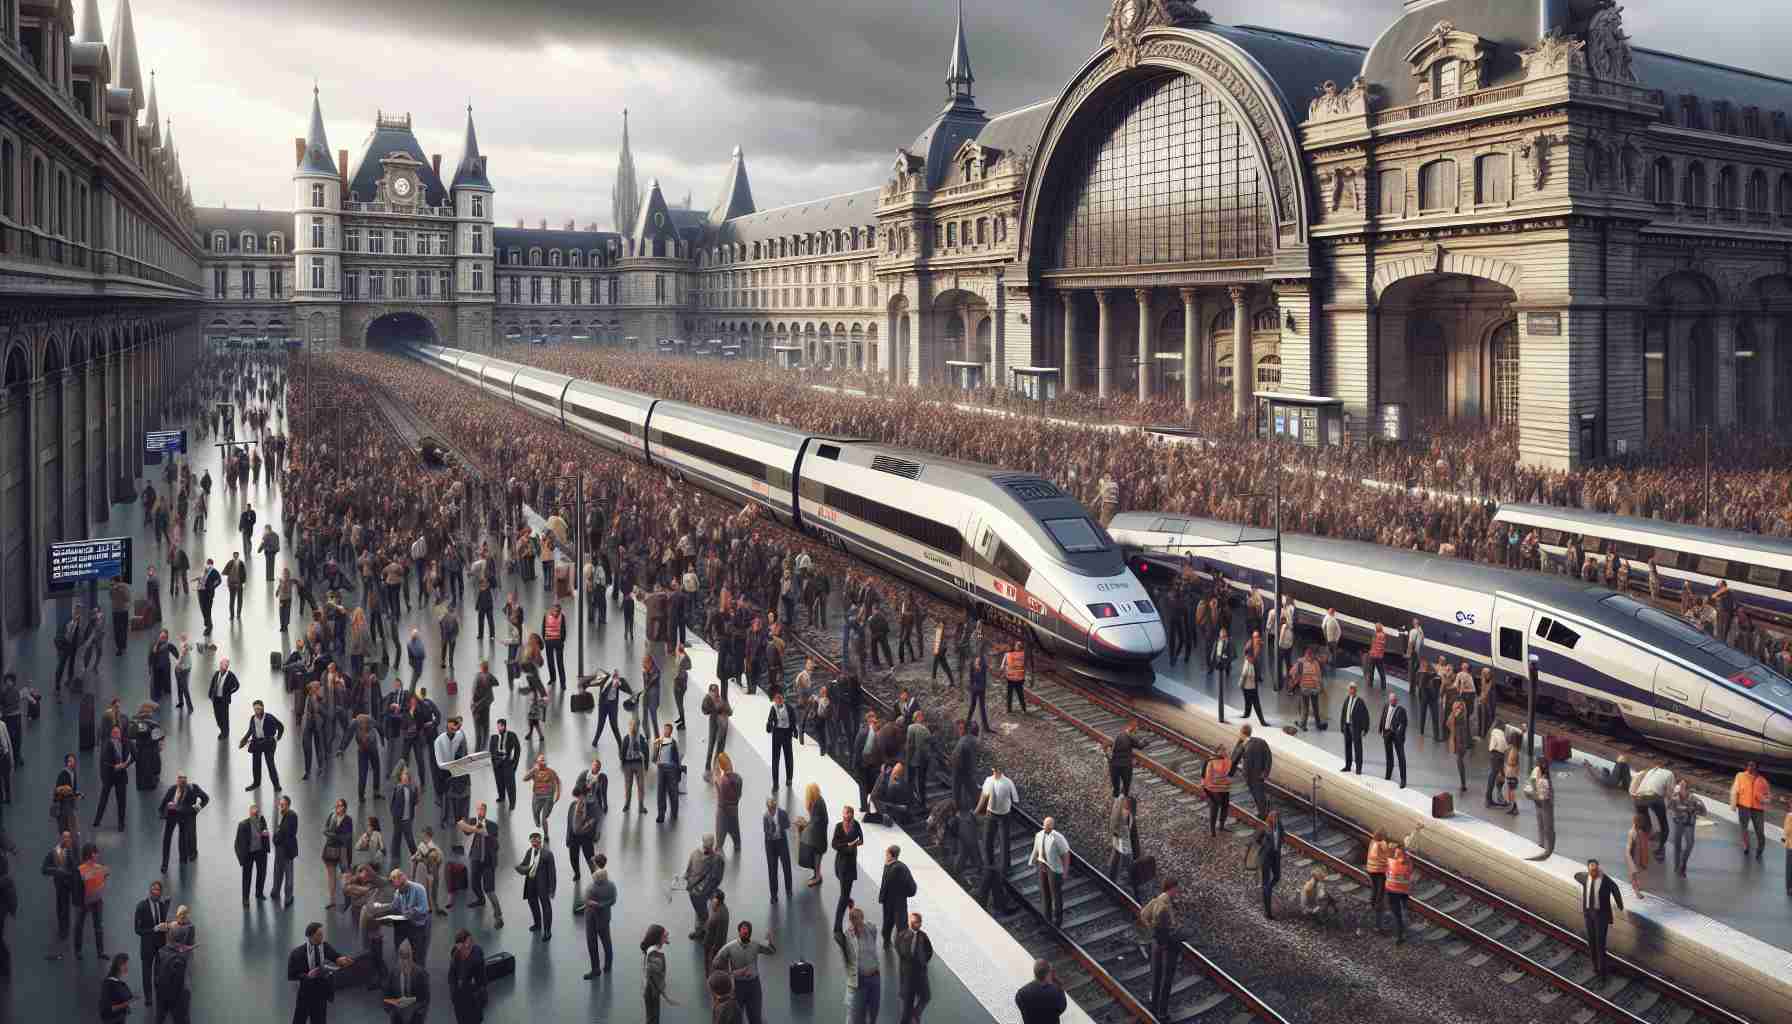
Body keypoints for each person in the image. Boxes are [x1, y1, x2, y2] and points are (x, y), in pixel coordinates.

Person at [288, 922, 355, 1024]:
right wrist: (307, 976)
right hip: (306, 992)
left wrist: (343, 960)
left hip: (321, 991)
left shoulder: (325, 947)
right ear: (310, 936)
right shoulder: (297, 953)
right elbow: (292, 974)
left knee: (320, 1020)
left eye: (322, 934)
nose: (322, 937)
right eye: (319, 935)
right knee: (299, 1019)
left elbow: (336, 956)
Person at [712, 920, 776, 1024]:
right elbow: (715, 963)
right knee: (736, 1017)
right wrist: (732, 973)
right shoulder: (730, 947)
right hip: (738, 986)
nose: (745, 933)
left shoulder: (755, 945)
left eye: (747, 932)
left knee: (755, 1017)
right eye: (743, 931)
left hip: (754, 985)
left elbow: (771, 952)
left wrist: (770, 943)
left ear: (750, 933)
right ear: (739, 932)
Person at [1573, 860, 1625, 980]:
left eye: (1595, 870)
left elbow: (1615, 889)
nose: (1593, 872)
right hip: (1589, 914)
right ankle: (1595, 966)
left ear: (1598, 869)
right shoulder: (1585, 878)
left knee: (1600, 942)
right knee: (1591, 941)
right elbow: (1576, 875)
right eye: (1591, 870)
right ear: (1588, 870)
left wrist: (1620, 904)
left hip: (1601, 915)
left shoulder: (1605, 880)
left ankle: (1602, 969)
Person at [458, 802, 504, 928]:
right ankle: (480, 900)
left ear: (486, 811)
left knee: (489, 890)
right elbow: (460, 824)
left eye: (482, 809)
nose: (480, 811)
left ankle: (498, 915)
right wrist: (474, 828)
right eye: (478, 809)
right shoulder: (472, 821)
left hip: (488, 861)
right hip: (475, 858)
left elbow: (493, 839)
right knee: (474, 884)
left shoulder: (492, 825)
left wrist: (483, 831)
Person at [1140, 878, 1180, 1018]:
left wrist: (1151, 929)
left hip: (1156, 944)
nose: (1177, 891)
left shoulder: (1156, 900)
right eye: (1176, 889)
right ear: (1172, 888)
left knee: (1156, 977)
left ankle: (1153, 1006)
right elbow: (1164, 928)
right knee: (1166, 980)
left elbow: (1143, 914)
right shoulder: (1164, 907)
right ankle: (1161, 1012)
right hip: (1166, 947)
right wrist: (1166, 941)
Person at [158, 774, 210, 873]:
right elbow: (162, 806)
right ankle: (165, 864)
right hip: (172, 816)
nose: (182, 781)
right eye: (180, 778)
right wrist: (165, 811)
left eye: (184, 779)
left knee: (184, 837)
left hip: (185, 816)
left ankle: (184, 859)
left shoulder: (193, 789)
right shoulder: (172, 789)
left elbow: (206, 798)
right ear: (177, 781)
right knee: (167, 840)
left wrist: (196, 809)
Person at [134, 881, 173, 1008]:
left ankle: (158, 991)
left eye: (158, 890)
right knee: (146, 972)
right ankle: (148, 997)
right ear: (150, 891)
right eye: (153, 889)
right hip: (147, 946)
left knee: (158, 970)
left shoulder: (162, 906)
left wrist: (167, 927)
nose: (155, 892)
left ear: (160, 893)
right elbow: (137, 930)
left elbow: (163, 922)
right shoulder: (141, 907)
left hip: (160, 945)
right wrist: (154, 929)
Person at [842, 905, 881, 1024]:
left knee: (874, 1011)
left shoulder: (870, 930)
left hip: (875, 977)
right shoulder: (849, 935)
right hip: (860, 980)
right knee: (857, 1015)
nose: (856, 920)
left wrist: (862, 926)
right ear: (851, 920)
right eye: (853, 918)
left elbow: (873, 927)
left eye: (858, 918)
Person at [1030, 817, 1070, 928]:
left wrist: (1065, 871)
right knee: (1044, 892)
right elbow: (1036, 849)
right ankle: (1046, 918)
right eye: (1045, 826)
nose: (1046, 828)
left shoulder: (1058, 838)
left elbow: (1065, 855)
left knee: (1056, 894)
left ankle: (1058, 920)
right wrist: (1033, 861)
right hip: (1042, 865)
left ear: (1052, 826)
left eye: (1049, 827)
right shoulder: (1039, 835)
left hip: (1054, 869)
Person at [1629, 762, 1674, 859]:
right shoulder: (1669, 773)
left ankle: (1640, 839)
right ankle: (1661, 849)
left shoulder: (1649, 771)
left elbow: (1634, 788)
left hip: (1638, 798)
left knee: (1642, 818)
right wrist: (1669, 805)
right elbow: (1669, 794)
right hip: (1654, 797)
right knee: (1663, 823)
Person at [582, 854, 617, 979]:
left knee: (592, 944)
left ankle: (595, 970)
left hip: (591, 919)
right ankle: (608, 966)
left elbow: (586, 900)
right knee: (607, 942)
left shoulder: (591, 888)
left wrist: (594, 904)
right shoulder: (612, 886)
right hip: (605, 917)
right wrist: (602, 905)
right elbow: (613, 900)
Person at [831, 806, 865, 935]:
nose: (847, 815)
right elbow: (834, 844)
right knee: (844, 893)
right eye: (845, 813)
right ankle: (849, 901)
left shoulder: (855, 825)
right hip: (840, 863)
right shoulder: (839, 827)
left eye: (849, 813)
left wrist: (855, 843)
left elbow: (861, 839)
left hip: (850, 866)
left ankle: (837, 925)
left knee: (843, 896)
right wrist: (847, 846)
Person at [239, 699, 286, 792]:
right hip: (257, 742)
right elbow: (250, 730)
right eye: (255, 709)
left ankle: (276, 785)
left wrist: (278, 737)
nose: (257, 711)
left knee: (270, 764)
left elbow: (281, 726)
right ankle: (256, 783)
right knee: (255, 764)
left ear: (263, 708)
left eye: (258, 709)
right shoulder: (253, 718)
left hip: (268, 742)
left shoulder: (269, 718)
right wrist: (243, 740)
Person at [977, 766, 1018, 872]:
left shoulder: (1008, 783)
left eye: (997, 770)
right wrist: (978, 810)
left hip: (1004, 815)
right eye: (994, 770)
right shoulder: (989, 780)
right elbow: (983, 796)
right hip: (991, 813)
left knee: (1004, 842)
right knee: (987, 840)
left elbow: (1015, 799)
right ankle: (989, 864)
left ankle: (1005, 867)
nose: (995, 772)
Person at [93, 725, 134, 830]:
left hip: (121, 776)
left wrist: (126, 764)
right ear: (111, 734)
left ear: (120, 733)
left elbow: (133, 755)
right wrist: (114, 766)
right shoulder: (107, 744)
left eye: (118, 732)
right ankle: (97, 821)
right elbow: (104, 760)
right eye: (114, 732)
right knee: (103, 799)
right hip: (109, 776)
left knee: (122, 801)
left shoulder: (126, 743)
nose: (116, 734)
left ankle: (121, 824)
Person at [517, 831, 556, 941]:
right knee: (533, 904)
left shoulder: (547, 854)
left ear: (540, 840)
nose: (534, 840)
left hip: (543, 885)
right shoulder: (529, 852)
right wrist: (519, 868)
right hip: (530, 884)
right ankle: (537, 924)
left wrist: (552, 889)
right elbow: (523, 865)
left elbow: (552, 873)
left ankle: (547, 931)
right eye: (532, 839)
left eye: (536, 838)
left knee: (546, 907)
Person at [74, 842, 109, 959]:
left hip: (96, 900)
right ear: (90, 855)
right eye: (95, 853)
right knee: (79, 925)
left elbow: (103, 876)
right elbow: (78, 887)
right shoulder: (80, 870)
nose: (97, 855)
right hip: (84, 902)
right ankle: (78, 950)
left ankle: (100, 952)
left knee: (98, 926)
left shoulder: (98, 868)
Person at [381, 939, 430, 1022]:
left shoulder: (421, 974)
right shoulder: (393, 973)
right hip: (397, 1017)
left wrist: (411, 1004)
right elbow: (387, 994)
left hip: (415, 1017)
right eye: (401, 956)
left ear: (411, 956)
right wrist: (391, 1010)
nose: (404, 961)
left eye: (406, 957)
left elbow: (425, 997)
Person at [877, 845, 917, 947]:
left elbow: (884, 885)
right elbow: (912, 886)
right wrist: (905, 893)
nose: (885, 856)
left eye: (886, 854)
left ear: (891, 855)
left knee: (888, 922)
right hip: (899, 900)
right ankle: (902, 946)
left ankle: (888, 942)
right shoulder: (901, 867)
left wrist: (882, 898)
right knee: (901, 923)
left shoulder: (891, 867)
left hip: (889, 901)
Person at [1229, 724, 1272, 818]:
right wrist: (1266, 772)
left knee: (1257, 793)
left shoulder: (1243, 744)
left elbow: (1234, 758)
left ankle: (1263, 814)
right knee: (1258, 792)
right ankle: (1263, 811)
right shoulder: (1261, 741)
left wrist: (1230, 773)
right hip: (1259, 774)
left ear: (1242, 733)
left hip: (1251, 775)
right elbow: (1269, 757)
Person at [1730, 761, 1770, 860]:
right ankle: (1746, 846)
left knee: (1760, 831)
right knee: (1744, 828)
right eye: (1748, 765)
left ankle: (1760, 849)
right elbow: (1734, 790)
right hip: (1744, 806)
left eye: (1752, 765)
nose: (1749, 767)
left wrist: (1763, 799)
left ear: (1757, 767)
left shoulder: (1762, 781)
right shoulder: (1740, 776)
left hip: (1757, 809)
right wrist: (1733, 804)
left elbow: (1768, 796)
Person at [640, 924, 679, 1024]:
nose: (666, 939)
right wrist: (667, 997)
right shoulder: (655, 955)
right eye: (664, 937)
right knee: (653, 1018)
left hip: (649, 989)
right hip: (652, 991)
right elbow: (656, 980)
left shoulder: (649, 950)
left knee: (651, 1016)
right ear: (658, 938)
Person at [447, 929, 488, 1024]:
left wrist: (482, 996)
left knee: (475, 1020)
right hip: (460, 997)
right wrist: (453, 993)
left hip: (474, 996)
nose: (468, 948)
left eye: (470, 945)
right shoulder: (455, 953)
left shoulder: (477, 953)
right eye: (465, 946)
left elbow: (482, 977)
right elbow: (452, 975)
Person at [235, 802, 272, 905]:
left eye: (257, 813)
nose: (256, 815)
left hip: (261, 852)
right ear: (250, 813)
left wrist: (266, 835)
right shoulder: (243, 825)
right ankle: (245, 898)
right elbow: (237, 844)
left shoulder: (262, 820)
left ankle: (259, 893)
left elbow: (265, 831)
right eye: (254, 814)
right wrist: (241, 859)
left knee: (262, 873)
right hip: (249, 854)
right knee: (247, 876)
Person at [1249, 810, 1284, 919]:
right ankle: (1268, 912)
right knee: (1266, 882)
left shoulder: (1280, 827)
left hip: (1276, 855)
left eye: (1277, 818)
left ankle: (1267, 888)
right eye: (1274, 818)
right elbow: (1256, 840)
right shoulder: (1264, 828)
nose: (1276, 820)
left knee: (1277, 876)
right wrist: (1264, 848)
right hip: (1265, 858)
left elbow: (1282, 837)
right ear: (1270, 819)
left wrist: (1278, 847)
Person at [1014, 959, 1068, 1024]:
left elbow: (1021, 1007)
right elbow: (1062, 1008)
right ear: (1047, 974)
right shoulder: (1057, 992)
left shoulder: (1021, 993)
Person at [321, 799, 352, 909]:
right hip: (330, 849)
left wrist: (333, 836)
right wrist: (336, 836)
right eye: (337, 805)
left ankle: (348, 900)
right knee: (331, 876)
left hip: (342, 851)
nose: (337, 807)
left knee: (345, 876)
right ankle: (332, 900)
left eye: (340, 805)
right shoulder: (331, 816)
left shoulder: (348, 820)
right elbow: (325, 830)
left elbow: (347, 838)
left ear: (344, 807)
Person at [713, 751, 744, 858]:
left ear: (721, 766)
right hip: (734, 809)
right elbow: (739, 795)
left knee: (720, 835)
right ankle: (737, 845)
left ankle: (719, 853)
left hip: (723, 810)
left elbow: (720, 797)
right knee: (735, 830)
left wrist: (716, 779)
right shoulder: (738, 778)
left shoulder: (722, 781)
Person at [762, 796, 793, 904]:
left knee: (786, 866)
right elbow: (766, 831)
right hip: (770, 845)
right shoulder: (765, 816)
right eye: (769, 808)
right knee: (772, 869)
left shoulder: (782, 813)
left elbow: (788, 824)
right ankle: (774, 895)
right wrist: (772, 832)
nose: (771, 810)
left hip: (782, 843)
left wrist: (780, 826)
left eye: (772, 808)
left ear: (775, 807)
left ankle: (789, 890)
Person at [1667, 779, 1701, 877]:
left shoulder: (1694, 799)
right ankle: (1677, 866)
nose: (1681, 788)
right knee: (1677, 845)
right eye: (1680, 786)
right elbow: (1669, 808)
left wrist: (1694, 812)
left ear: (1688, 789)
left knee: (1690, 844)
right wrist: (1673, 815)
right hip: (1678, 823)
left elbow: (1703, 811)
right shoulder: (1675, 798)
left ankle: (1683, 863)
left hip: (1689, 824)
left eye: (1684, 787)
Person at [798, 783, 829, 890]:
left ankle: (817, 877)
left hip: (818, 837)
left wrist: (805, 824)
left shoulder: (818, 803)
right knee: (817, 857)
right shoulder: (818, 801)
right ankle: (817, 875)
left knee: (817, 857)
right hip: (818, 836)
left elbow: (815, 821)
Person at [1526, 755, 1556, 860]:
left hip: (1542, 800)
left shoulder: (1543, 771)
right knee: (1546, 824)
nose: (1544, 765)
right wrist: (1538, 794)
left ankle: (1543, 844)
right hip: (1543, 800)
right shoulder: (1538, 771)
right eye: (1543, 763)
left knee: (1543, 822)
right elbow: (1534, 783)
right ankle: (1545, 846)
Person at [272, 794, 300, 907]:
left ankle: (287, 898)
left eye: (283, 805)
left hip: (286, 850)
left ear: (288, 805)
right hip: (283, 849)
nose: (280, 806)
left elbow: (284, 832)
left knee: (287, 874)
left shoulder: (291, 816)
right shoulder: (287, 815)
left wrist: (275, 839)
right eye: (280, 804)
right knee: (278, 872)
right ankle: (276, 892)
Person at [487, 720, 521, 811]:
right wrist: (493, 761)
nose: (499, 728)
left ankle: (512, 803)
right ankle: (501, 796)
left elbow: (517, 749)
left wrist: (515, 763)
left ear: (504, 726)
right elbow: (491, 750)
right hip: (497, 763)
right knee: (499, 782)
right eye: (498, 726)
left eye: (500, 726)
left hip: (507, 762)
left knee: (510, 784)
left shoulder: (511, 735)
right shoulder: (494, 737)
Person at [1109, 720, 1148, 799]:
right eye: (1136, 729)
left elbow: (1111, 749)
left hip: (1114, 764)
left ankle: (1115, 798)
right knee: (1126, 784)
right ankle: (1124, 797)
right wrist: (1146, 741)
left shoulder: (1118, 736)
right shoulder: (1130, 737)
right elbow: (1140, 746)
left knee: (1115, 785)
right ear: (1132, 730)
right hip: (1125, 765)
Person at [765, 690, 796, 788]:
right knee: (775, 759)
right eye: (776, 698)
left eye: (779, 698)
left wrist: (794, 731)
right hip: (777, 734)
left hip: (786, 734)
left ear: (782, 698)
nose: (777, 700)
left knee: (788, 757)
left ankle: (789, 779)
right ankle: (775, 782)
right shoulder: (773, 708)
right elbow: (770, 719)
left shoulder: (789, 708)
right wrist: (769, 725)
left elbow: (793, 720)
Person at [1385, 842, 1414, 943]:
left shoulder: (1392, 862)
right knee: (1403, 910)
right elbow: (1409, 869)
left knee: (1396, 914)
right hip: (1404, 891)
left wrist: (1390, 849)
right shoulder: (1408, 863)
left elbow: (1386, 858)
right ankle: (1405, 931)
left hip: (1392, 891)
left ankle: (1399, 936)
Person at [1203, 744, 1234, 836]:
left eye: (1225, 750)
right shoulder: (1211, 761)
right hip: (1214, 789)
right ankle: (1212, 830)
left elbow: (1229, 771)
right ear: (1217, 751)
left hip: (1224, 788)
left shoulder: (1226, 760)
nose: (1225, 751)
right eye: (1223, 750)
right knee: (1215, 808)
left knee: (1224, 807)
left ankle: (1221, 826)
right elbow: (1207, 776)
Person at [528, 755, 561, 841]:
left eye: (543, 761)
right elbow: (525, 778)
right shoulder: (535, 771)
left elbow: (558, 781)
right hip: (537, 796)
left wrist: (558, 794)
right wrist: (532, 771)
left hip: (548, 797)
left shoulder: (550, 772)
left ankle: (546, 835)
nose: (542, 763)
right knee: (535, 812)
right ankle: (538, 824)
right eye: (540, 762)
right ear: (537, 763)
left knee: (544, 818)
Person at [619, 718, 649, 813]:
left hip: (638, 763)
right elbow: (622, 752)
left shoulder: (640, 738)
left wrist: (646, 765)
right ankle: (627, 804)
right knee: (628, 786)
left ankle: (641, 806)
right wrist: (623, 764)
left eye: (635, 725)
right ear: (629, 727)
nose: (633, 727)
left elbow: (646, 751)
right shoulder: (626, 738)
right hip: (628, 764)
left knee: (641, 786)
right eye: (631, 725)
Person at [1339, 683, 1369, 775]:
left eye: (1353, 689)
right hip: (1347, 726)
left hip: (1355, 728)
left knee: (1357, 748)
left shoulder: (1360, 701)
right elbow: (1343, 714)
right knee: (1347, 747)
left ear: (1356, 690)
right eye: (1350, 689)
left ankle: (1358, 768)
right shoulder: (1347, 699)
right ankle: (1348, 766)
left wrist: (1365, 729)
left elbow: (1365, 716)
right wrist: (1342, 726)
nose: (1351, 690)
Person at [1380, 692, 1408, 788]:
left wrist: (1399, 733)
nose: (1393, 701)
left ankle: (1403, 780)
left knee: (1401, 757)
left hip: (1397, 736)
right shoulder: (1386, 706)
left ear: (1397, 701)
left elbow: (1404, 724)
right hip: (1387, 733)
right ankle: (1388, 775)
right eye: (1391, 700)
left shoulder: (1401, 710)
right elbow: (1383, 718)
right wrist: (1381, 729)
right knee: (1389, 756)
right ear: (1389, 700)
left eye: (1394, 700)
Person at [207, 659, 240, 740]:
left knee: (224, 717)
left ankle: (225, 733)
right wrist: (210, 694)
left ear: (227, 666)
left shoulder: (230, 675)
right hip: (216, 699)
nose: (223, 667)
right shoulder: (216, 673)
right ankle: (222, 730)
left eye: (225, 665)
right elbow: (212, 684)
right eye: (222, 665)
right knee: (217, 716)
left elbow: (237, 685)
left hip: (224, 700)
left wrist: (230, 692)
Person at [1625, 811, 1652, 901]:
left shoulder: (1642, 831)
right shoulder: (1632, 832)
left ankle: (1636, 886)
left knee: (1638, 872)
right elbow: (1629, 846)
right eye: (1640, 822)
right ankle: (1636, 891)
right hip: (1632, 855)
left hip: (1640, 854)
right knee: (1634, 873)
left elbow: (1645, 844)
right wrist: (1630, 857)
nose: (1641, 824)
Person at [101, 953, 134, 1023]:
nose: (127, 966)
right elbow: (108, 1009)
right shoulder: (111, 984)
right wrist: (126, 1004)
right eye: (125, 964)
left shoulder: (116, 982)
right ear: (120, 966)